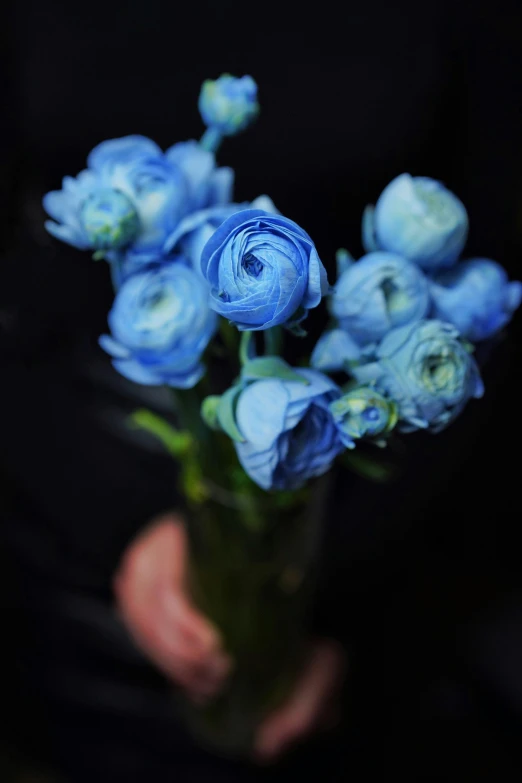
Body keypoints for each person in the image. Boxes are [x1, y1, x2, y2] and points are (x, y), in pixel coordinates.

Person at [1, 0, 522, 780]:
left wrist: (325, 579)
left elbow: (502, 280)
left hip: (359, 535)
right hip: (54, 506)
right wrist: (120, 526)